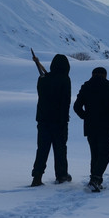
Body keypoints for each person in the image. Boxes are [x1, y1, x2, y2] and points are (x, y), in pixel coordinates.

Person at [73, 67, 109, 192]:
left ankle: (94, 179)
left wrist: (86, 117)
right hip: (106, 127)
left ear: (92, 75)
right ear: (105, 75)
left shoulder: (86, 87)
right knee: (104, 154)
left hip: (90, 126)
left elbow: (76, 107)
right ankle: (96, 179)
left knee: (95, 154)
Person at [31, 54, 72, 187]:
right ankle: (61, 175)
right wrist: (64, 119)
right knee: (60, 149)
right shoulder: (65, 79)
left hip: (43, 120)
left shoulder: (42, 79)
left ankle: (37, 176)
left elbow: (42, 94)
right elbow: (66, 101)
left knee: (42, 149)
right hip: (59, 121)